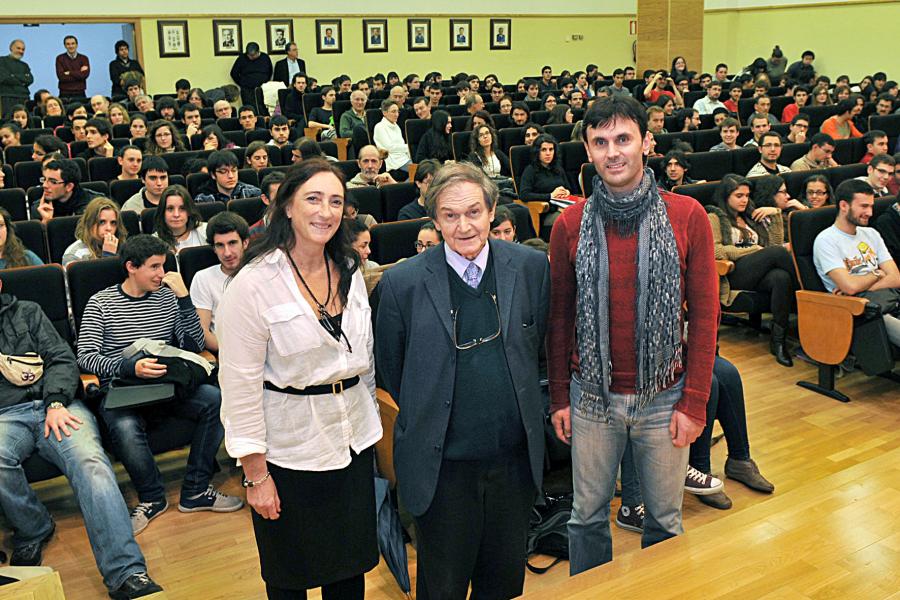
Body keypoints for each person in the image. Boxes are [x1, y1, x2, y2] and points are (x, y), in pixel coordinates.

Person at [548, 95, 718, 574]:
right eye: (600, 142)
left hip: (665, 398)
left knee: (664, 521)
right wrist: (560, 397)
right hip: (591, 400)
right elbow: (559, 320)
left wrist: (695, 402)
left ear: (647, 142)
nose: (613, 152)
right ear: (587, 149)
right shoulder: (570, 223)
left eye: (623, 139)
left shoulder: (688, 216)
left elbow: (705, 318)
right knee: (585, 519)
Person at [376, 161, 549, 599]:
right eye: (450, 216)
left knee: (502, 583)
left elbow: (539, 349)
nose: (464, 225)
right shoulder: (402, 283)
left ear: (492, 211)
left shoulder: (531, 267)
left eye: (474, 212)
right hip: (442, 469)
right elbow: (394, 371)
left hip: (512, 465)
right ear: (434, 220)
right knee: (443, 587)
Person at [217, 159, 381, 599]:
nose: (325, 212)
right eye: (313, 198)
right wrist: (255, 475)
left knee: (349, 573)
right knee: (291, 578)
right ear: (287, 205)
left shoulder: (349, 267)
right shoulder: (252, 284)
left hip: (352, 442)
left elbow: (361, 361)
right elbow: (239, 387)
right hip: (289, 454)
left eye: (335, 201)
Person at [0, 275, 164, 598]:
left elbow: (62, 358)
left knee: (92, 465)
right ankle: (34, 528)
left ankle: (126, 572)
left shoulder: (28, 312)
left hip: (59, 405)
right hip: (7, 416)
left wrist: (56, 401)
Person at [76, 234, 243, 536]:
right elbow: (86, 358)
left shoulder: (167, 296)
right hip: (124, 386)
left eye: (163, 266)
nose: (161, 274)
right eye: (154, 267)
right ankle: (152, 498)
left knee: (215, 400)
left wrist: (184, 299)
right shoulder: (101, 302)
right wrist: (128, 366)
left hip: (165, 382)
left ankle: (195, 490)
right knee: (123, 425)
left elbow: (193, 344)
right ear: (131, 267)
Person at [707, 175, 796, 366]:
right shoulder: (714, 217)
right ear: (726, 196)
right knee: (776, 254)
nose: (744, 200)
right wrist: (755, 250)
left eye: (747, 195)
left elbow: (774, 244)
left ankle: (778, 341)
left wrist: (776, 214)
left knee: (781, 277)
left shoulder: (750, 216)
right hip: (733, 274)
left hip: (758, 271)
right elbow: (717, 251)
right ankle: (807, 293)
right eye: (739, 195)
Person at [814, 179, 900, 348]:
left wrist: (861, 285)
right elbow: (850, 288)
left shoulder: (871, 233)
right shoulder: (826, 240)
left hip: (889, 297)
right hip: (860, 310)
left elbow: (896, 277)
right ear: (844, 206)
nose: (869, 212)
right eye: (864, 206)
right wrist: (878, 273)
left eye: (871, 206)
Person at [190, 212, 249, 353]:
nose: (227, 253)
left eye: (232, 243)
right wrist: (236, 354)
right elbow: (203, 333)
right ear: (213, 249)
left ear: (245, 243)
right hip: (226, 353)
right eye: (220, 246)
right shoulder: (203, 278)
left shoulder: (261, 272)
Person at [32, 158, 102, 223]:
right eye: (44, 179)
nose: (45, 185)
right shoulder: (40, 208)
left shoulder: (96, 206)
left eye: (53, 182)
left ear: (69, 186)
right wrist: (46, 222)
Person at [62, 197, 126, 266]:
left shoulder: (123, 249)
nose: (109, 228)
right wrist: (108, 256)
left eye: (113, 223)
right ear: (89, 223)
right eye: (102, 222)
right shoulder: (74, 255)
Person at [153, 185, 208, 253]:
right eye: (170, 209)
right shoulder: (153, 242)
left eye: (182, 208)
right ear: (162, 212)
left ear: (189, 211)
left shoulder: (205, 231)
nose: (176, 214)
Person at [194, 151, 262, 203]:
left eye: (234, 170)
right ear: (213, 175)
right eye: (223, 171)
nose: (231, 176)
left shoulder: (254, 193)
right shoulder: (203, 200)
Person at [373, 99, 412, 181]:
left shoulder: (396, 126)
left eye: (398, 111)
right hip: (394, 161)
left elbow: (401, 145)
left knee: (423, 167)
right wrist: (409, 147)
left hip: (404, 158)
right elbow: (389, 147)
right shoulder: (379, 127)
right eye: (393, 111)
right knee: (418, 171)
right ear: (384, 113)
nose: (397, 114)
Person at [0, 40, 33, 118]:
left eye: (23, 49)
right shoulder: (1, 61)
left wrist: (13, 76)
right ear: (11, 48)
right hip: (6, 97)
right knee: (7, 120)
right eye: (18, 48)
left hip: (24, 98)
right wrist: (22, 80)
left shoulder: (25, 65)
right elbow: (4, 78)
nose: (21, 51)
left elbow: (30, 79)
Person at [249, 171, 285, 239]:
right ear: (265, 199)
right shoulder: (253, 235)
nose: (285, 200)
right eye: (279, 196)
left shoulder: (302, 227)